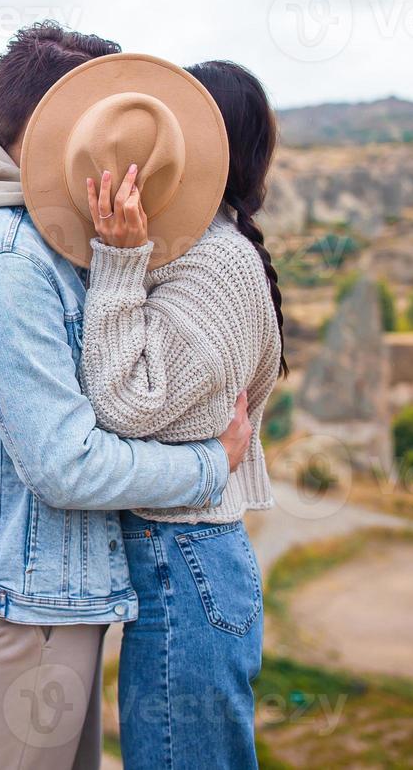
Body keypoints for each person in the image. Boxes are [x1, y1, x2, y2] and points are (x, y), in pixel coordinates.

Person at [0, 24, 254, 770]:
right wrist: (212, 464)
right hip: (26, 605)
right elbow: (67, 465)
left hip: (51, 596)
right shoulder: (9, 265)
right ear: (59, 131)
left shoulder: (50, 242)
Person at [79, 59, 285, 770]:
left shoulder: (214, 266)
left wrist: (116, 263)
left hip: (184, 566)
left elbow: (124, 406)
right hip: (187, 564)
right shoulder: (204, 253)